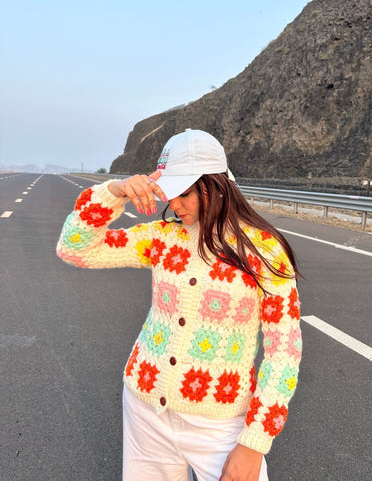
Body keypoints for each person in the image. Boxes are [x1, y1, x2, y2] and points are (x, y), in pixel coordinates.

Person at [57, 129, 302, 481]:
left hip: (220, 424)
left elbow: (284, 352)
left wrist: (254, 443)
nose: (173, 205)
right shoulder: (162, 237)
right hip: (145, 409)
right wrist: (113, 193)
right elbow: (75, 248)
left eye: (185, 193)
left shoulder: (263, 251)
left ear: (217, 187)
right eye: (171, 193)